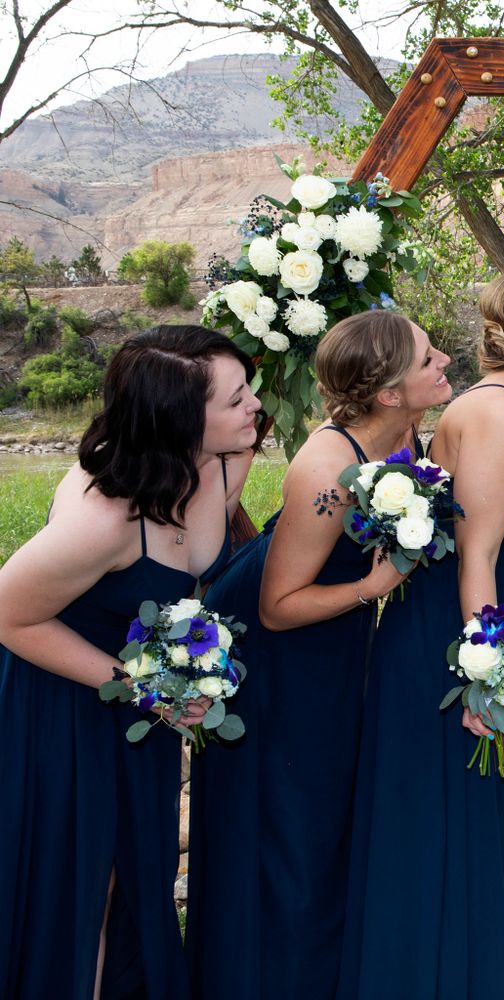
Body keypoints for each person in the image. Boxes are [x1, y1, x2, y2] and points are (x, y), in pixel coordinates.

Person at [336, 265, 504, 998]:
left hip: (476, 629)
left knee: (477, 827)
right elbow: (476, 559)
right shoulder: (501, 412)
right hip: (451, 648)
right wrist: (487, 679)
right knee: (447, 828)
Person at [187, 312, 448, 1000]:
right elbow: (277, 606)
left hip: (332, 648)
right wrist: (372, 585)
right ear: (389, 393)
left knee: (328, 821)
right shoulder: (328, 470)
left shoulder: (404, 431)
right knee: (292, 828)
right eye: (428, 358)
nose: (445, 359)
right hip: (282, 657)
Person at [0, 326, 259, 1000]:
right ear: (179, 420)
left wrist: (189, 666)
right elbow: (9, 616)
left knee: (135, 875)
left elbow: (192, 582)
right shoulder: (103, 517)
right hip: (60, 700)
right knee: (83, 882)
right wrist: (148, 687)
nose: (253, 408)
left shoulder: (229, 459)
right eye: (236, 399)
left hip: (137, 703)